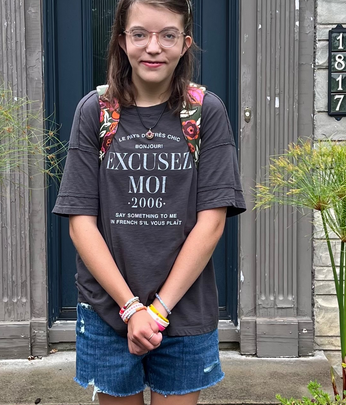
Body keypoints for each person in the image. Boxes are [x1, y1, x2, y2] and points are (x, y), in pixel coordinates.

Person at [52, 0, 245, 403]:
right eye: (140, 34)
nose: (153, 47)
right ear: (122, 41)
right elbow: (80, 223)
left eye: (168, 35)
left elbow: (211, 222)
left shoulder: (204, 112)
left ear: (185, 43)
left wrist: (157, 310)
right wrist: (130, 309)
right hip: (107, 311)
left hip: (185, 309)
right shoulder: (96, 112)